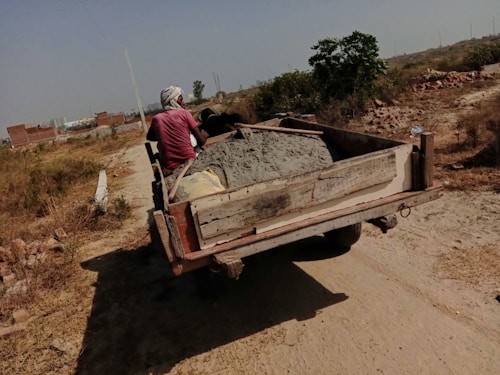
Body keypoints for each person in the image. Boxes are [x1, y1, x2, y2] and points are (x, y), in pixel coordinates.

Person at [147, 86, 208, 175]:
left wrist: (164, 135)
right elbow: (202, 141)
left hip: (169, 167)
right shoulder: (185, 114)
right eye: (181, 99)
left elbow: (149, 137)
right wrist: (204, 135)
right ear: (173, 101)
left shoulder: (157, 119)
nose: (183, 102)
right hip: (190, 161)